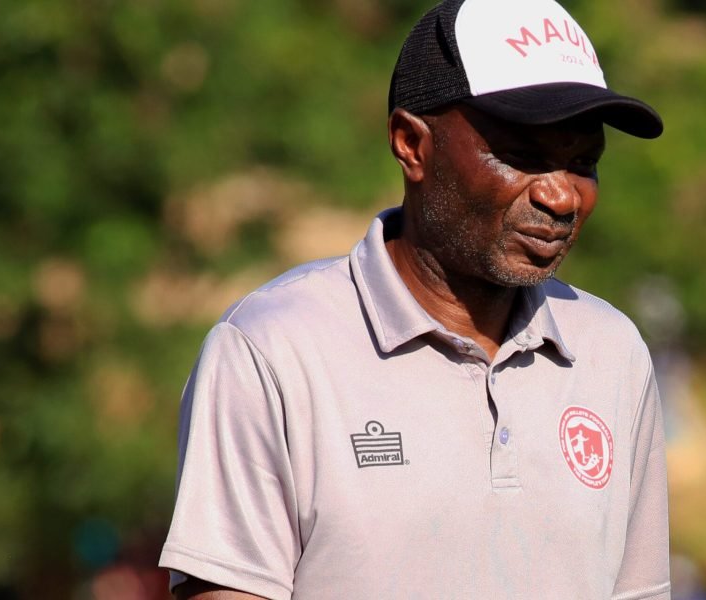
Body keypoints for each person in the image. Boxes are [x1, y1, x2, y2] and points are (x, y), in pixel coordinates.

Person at [159, 0, 668, 598]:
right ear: (411, 144)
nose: (561, 197)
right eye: (523, 157)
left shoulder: (611, 354)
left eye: (583, 163)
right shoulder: (274, 350)